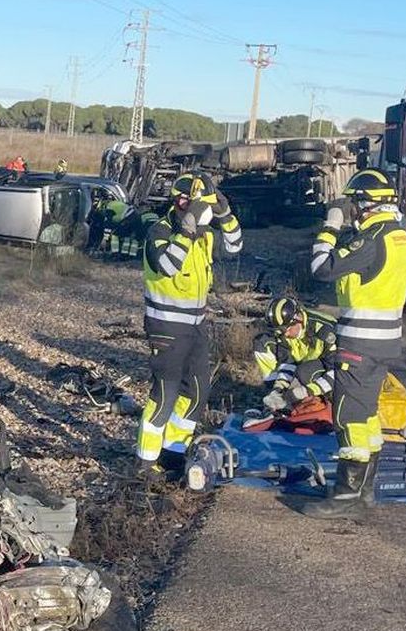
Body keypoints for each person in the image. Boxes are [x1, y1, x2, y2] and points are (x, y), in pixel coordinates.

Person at [303, 169, 406, 516]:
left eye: (352, 204)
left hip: (360, 342)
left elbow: (321, 267)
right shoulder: (400, 236)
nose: (351, 210)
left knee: (348, 416)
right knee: (366, 416)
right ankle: (365, 491)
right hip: (385, 342)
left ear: (364, 204)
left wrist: (330, 226)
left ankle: (346, 497)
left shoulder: (371, 239)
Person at [137, 172, 242, 479]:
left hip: (195, 326)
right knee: (164, 395)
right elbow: (167, 266)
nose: (205, 215)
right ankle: (145, 465)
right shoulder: (159, 231)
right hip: (165, 327)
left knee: (196, 393)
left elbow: (235, 247)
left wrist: (225, 214)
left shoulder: (205, 234)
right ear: (182, 202)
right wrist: (186, 231)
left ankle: (172, 456)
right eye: (201, 208)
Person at [253, 297, 340, 413]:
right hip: (309, 362)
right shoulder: (285, 334)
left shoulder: (325, 331)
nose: (285, 335)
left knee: (304, 372)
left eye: (286, 330)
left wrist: (304, 392)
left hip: (337, 367)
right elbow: (288, 364)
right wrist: (278, 390)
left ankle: (330, 406)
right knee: (262, 343)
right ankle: (280, 405)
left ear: (298, 319)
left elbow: (338, 374)